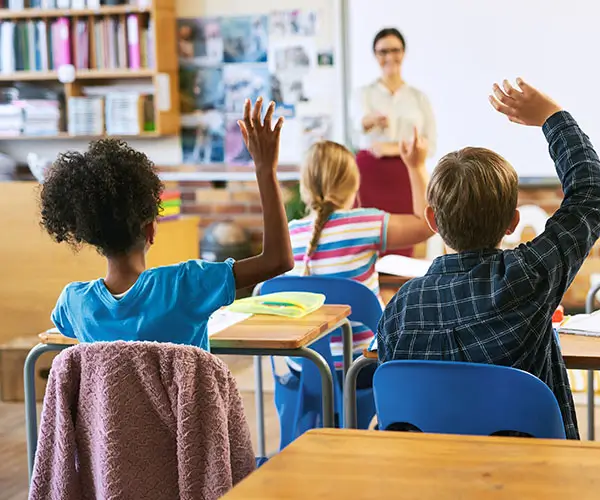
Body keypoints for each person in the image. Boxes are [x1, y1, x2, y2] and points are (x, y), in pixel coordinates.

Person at [376, 77, 600, 439]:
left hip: (431, 477)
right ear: (512, 223)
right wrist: (552, 116)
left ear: (432, 222)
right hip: (532, 477)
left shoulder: (400, 310)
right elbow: (592, 194)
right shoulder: (528, 278)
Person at [45, 98, 294, 350]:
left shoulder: (74, 302)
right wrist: (265, 169)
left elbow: (62, 325)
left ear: (90, 236)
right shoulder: (186, 286)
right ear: (150, 230)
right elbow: (278, 260)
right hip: (186, 392)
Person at [284, 129, 433, 387]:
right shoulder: (364, 224)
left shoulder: (290, 234)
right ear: (354, 185)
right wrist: (416, 166)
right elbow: (427, 224)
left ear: (305, 187)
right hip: (360, 368)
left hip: (304, 368)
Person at [352, 27, 437, 257]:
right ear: (375, 55)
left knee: (406, 238)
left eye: (395, 50)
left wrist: (392, 148)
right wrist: (370, 121)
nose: (390, 57)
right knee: (367, 235)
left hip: (406, 172)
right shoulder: (363, 94)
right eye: (383, 51)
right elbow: (356, 128)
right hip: (370, 174)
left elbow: (430, 142)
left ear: (404, 53)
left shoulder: (418, 98)